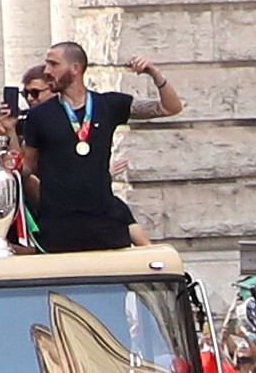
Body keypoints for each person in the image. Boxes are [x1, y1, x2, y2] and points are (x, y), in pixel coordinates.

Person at [21, 41, 181, 252]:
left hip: (104, 220)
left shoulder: (109, 104)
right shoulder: (39, 115)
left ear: (75, 68)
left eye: (53, 64)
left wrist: (154, 73)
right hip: (59, 225)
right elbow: (27, 167)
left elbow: (170, 108)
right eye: (46, 65)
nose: (47, 71)